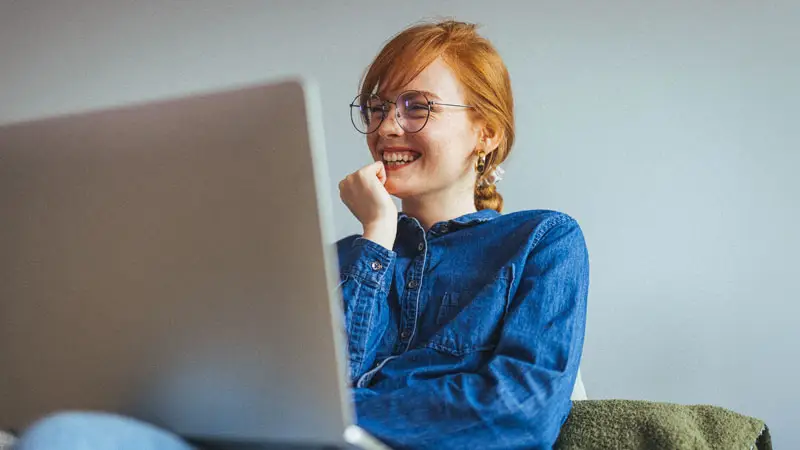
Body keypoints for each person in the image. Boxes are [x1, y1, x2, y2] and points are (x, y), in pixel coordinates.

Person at [13, 20, 589, 450]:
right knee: (62, 433)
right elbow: (293, 396)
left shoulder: (542, 241)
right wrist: (377, 236)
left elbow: (523, 411)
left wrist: (335, 417)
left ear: (485, 132)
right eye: (377, 106)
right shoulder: (341, 258)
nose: (388, 126)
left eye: (418, 107)